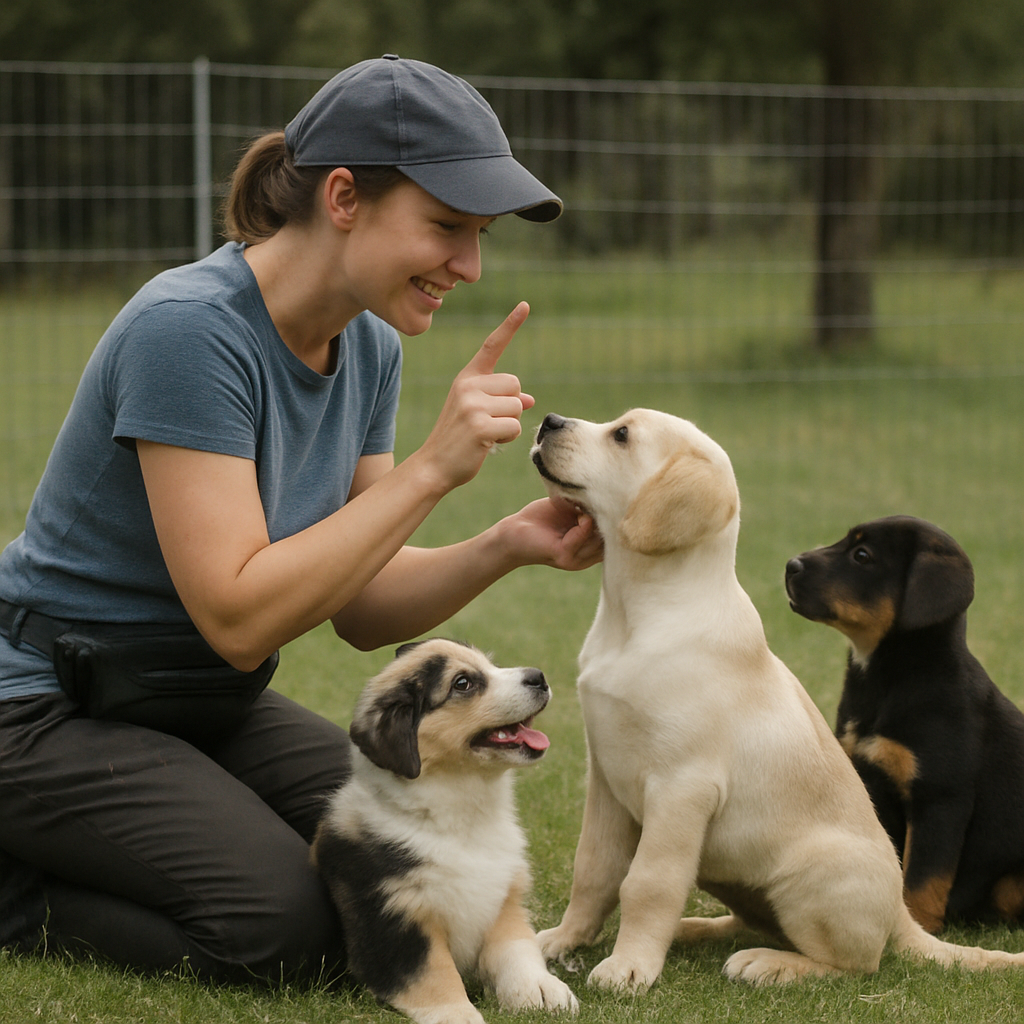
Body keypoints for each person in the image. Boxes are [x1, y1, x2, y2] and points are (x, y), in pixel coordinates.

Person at [0, 55, 601, 982]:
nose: (469, 266)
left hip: (195, 702)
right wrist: (433, 472)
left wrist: (505, 545)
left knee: (397, 835)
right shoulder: (189, 333)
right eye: (446, 227)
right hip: (50, 706)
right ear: (345, 195)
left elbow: (360, 610)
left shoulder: (364, 339)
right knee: (285, 928)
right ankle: (16, 890)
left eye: (478, 235)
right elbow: (239, 619)